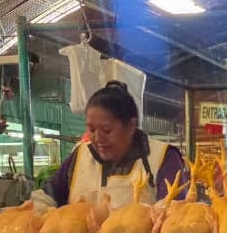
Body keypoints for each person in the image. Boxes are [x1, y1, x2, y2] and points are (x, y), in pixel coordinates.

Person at [39, 81, 186, 208]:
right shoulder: (80, 156)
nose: (98, 138)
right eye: (91, 129)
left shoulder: (163, 157)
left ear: (131, 126)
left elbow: (174, 211)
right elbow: (47, 197)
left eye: (106, 130)